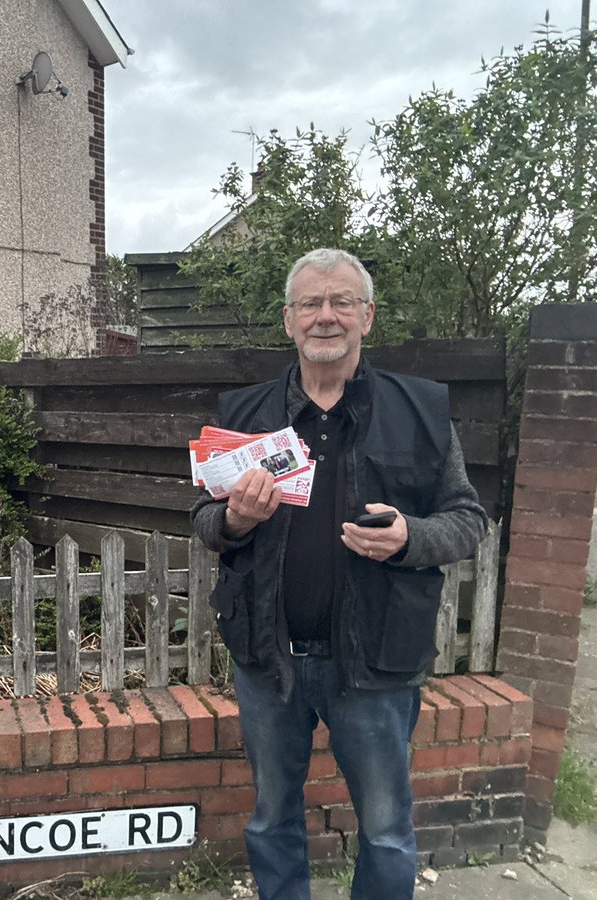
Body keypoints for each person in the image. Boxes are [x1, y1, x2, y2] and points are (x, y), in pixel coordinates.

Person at [192, 248, 487, 900]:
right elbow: (205, 520)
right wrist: (235, 521)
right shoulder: (244, 416)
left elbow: (468, 521)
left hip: (377, 663)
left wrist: (413, 536)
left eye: (341, 302)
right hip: (269, 662)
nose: (326, 316)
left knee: (384, 829)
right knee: (272, 818)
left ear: (367, 316)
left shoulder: (421, 410)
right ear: (290, 320)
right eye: (311, 304)